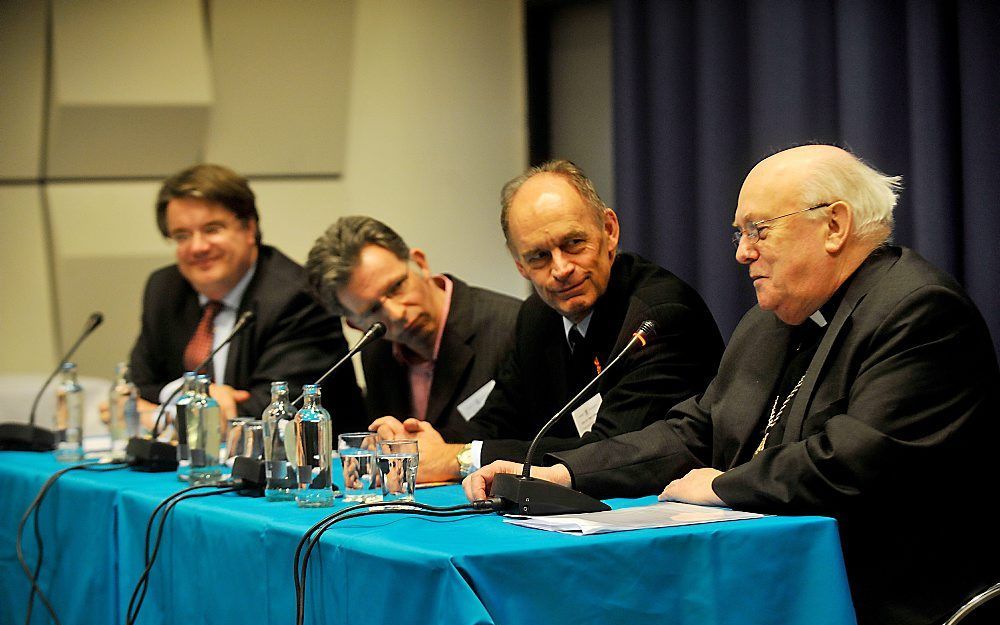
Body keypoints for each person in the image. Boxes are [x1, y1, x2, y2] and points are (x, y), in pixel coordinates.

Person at [465, 145, 1000, 625]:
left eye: (758, 230)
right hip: (769, 584)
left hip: (884, 597)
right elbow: (692, 430)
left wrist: (722, 486)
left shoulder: (917, 310)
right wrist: (562, 473)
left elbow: (853, 461)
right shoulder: (771, 321)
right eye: (740, 233)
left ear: (834, 225)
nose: (743, 253)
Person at [375, 160, 723, 483]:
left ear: (609, 231)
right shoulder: (537, 316)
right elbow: (499, 420)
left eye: (574, 243)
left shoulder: (658, 317)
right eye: (539, 257)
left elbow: (609, 450)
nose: (561, 269)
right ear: (520, 267)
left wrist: (461, 457)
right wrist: (425, 446)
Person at [128, 163, 364, 425]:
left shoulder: (299, 296)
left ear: (249, 228)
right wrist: (186, 395)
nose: (197, 247)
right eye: (182, 235)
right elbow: (138, 386)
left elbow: (272, 411)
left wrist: (163, 411)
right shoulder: (165, 288)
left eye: (212, 229)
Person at [305, 216, 521, 437]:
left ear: (420, 263)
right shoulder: (375, 352)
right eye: (372, 310)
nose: (397, 313)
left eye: (397, 286)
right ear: (355, 325)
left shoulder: (512, 326)